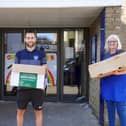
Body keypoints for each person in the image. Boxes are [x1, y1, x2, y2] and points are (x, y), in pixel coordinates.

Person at [15, 30, 47, 126]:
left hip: (37, 89)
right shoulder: (19, 54)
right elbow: (16, 70)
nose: (30, 40)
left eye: (32, 38)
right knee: (20, 112)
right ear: (25, 40)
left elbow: (45, 68)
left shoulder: (41, 54)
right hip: (23, 88)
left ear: (35, 39)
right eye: (28, 38)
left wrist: (41, 70)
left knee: (38, 112)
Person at [99, 34, 126, 126]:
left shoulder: (123, 54)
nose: (112, 43)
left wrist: (115, 73)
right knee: (110, 111)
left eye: (114, 41)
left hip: (119, 86)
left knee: (121, 111)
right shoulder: (105, 55)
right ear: (107, 43)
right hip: (108, 86)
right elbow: (101, 69)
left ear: (117, 43)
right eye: (110, 41)